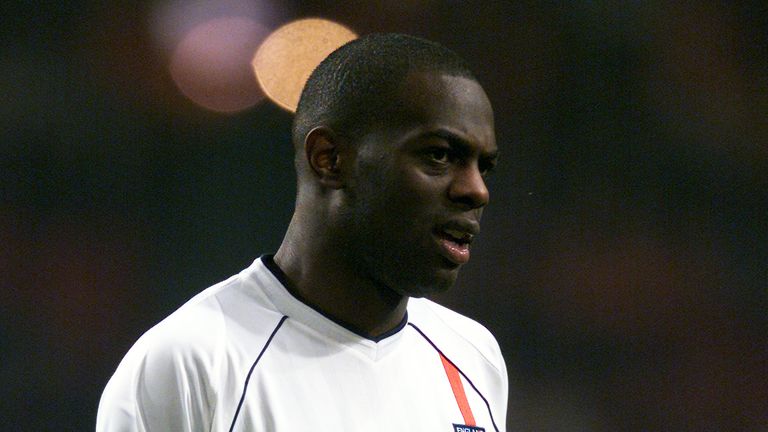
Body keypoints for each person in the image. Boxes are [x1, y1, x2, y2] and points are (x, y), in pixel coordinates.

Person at [97, 33, 507, 432]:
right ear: (329, 159)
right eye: (439, 155)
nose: (477, 191)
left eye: (483, 167)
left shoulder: (474, 357)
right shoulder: (193, 362)